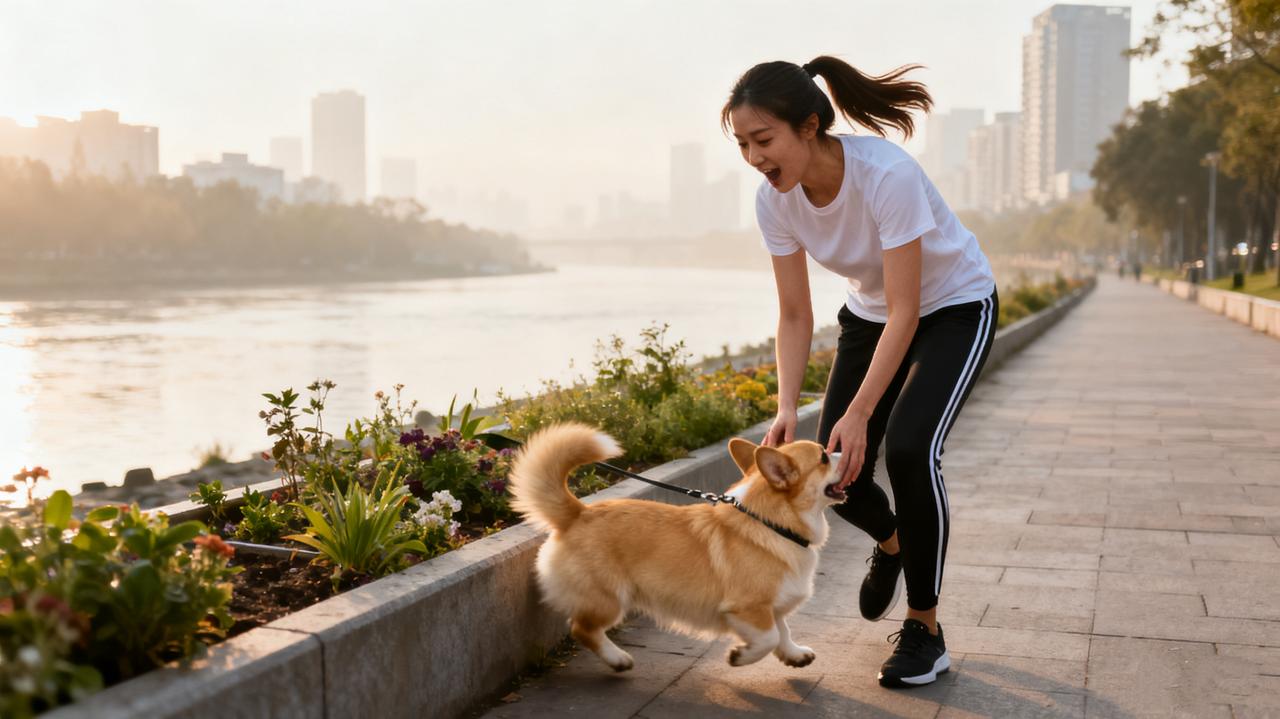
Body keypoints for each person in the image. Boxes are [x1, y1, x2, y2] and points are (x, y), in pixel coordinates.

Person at [722, 56, 998, 688]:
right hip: (871, 316)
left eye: (764, 140)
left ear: (810, 127)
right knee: (828, 469)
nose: (755, 157)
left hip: (953, 307)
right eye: (742, 144)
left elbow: (910, 310)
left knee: (907, 449)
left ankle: (924, 628)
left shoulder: (886, 175)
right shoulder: (775, 202)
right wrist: (788, 405)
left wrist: (862, 410)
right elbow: (795, 314)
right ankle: (894, 542)